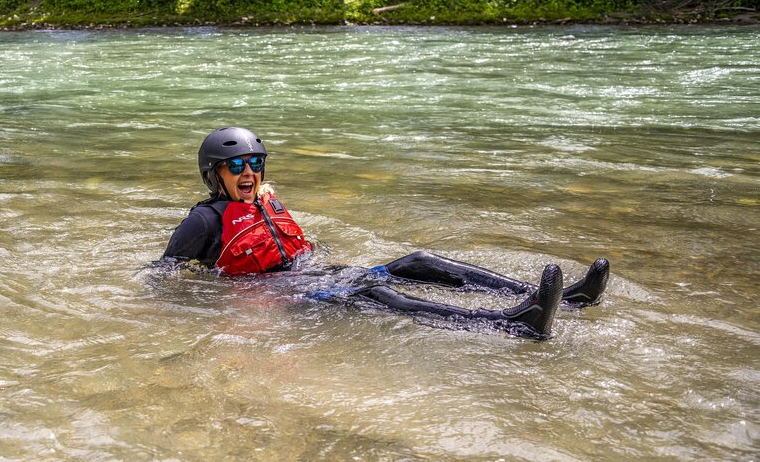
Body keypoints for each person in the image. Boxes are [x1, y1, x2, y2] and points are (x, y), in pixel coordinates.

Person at [158, 127, 611, 339]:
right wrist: (206, 296)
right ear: (214, 175)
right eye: (235, 166)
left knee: (417, 261)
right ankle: (508, 324)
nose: (248, 172)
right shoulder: (203, 220)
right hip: (287, 296)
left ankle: (562, 299)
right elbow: (162, 273)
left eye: (255, 163)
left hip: (316, 273)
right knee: (375, 292)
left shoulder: (263, 201)